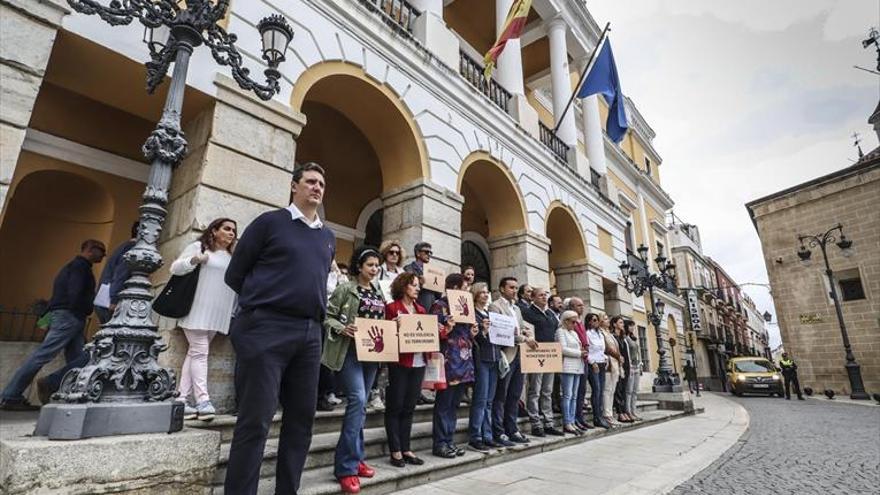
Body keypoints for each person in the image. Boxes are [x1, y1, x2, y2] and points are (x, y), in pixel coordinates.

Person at [223, 162, 335, 495]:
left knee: (301, 423)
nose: (316, 187)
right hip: (266, 329)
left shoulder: (327, 237)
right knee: (255, 422)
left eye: (321, 184)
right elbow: (235, 275)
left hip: (310, 334)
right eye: (310, 181)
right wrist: (260, 311)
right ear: (294, 186)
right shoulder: (270, 223)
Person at [0, 239, 106, 410]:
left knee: (81, 358)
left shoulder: (72, 267)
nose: (103, 255)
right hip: (70, 317)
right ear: (90, 249)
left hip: (68, 317)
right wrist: (84, 309)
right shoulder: (80, 267)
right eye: (102, 251)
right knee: (42, 355)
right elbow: (74, 293)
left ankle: (66, 392)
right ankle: (11, 395)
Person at [322, 245, 385, 494]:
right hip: (349, 353)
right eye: (370, 265)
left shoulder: (379, 291)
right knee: (357, 400)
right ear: (359, 266)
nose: (375, 269)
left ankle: (356, 458)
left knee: (360, 406)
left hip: (372, 354)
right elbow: (327, 315)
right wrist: (342, 327)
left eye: (377, 266)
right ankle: (345, 468)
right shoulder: (345, 288)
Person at [171, 217, 238, 421]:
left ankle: (182, 399)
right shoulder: (198, 247)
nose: (231, 233)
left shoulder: (231, 256)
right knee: (200, 352)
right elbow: (175, 268)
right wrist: (194, 260)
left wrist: (233, 311)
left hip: (218, 313)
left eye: (234, 231)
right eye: (226, 229)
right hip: (196, 309)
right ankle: (203, 400)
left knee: (195, 353)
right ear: (214, 230)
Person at [430, 273, 477, 459]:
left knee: (454, 404)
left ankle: (450, 440)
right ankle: (440, 443)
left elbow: (466, 336)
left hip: (464, 363)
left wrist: (473, 332)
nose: (467, 292)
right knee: (444, 404)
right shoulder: (439, 306)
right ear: (455, 288)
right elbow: (433, 331)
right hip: (449, 362)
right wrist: (446, 327)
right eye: (465, 288)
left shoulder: (466, 308)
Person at [383, 272, 427, 468]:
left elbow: (428, 335)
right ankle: (395, 450)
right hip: (400, 363)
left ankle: (406, 448)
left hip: (418, 363)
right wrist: (393, 326)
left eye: (418, 285)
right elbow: (384, 334)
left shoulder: (422, 310)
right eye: (413, 285)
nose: (417, 288)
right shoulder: (392, 308)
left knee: (409, 407)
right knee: (395, 406)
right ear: (403, 287)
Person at [489, 276, 533, 446]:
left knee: (514, 395)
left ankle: (512, 429)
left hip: (519, 355)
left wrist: (526, 333)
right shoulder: (495, 306)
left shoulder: (517, 309)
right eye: (511, 287)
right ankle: (499, 432)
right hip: (505, 356)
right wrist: (523, 338)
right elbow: (501, 332)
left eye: (516, 288)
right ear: (501, 289)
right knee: (501, 395)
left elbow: (520, 328)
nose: (514, 290)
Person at [521, 287, 563, 437]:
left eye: (545, 295)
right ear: (532, 298)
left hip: (550, 356)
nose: (544, 298)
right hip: (535, 355)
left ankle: (548, 422)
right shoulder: (527, 312)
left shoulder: (551, 314)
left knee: (547, 391)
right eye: (540, 295)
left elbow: (557, 332)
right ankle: (535, 423)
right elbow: (524, 331)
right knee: (535, 391)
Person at [468, 282, 501, 452]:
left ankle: (487, 436)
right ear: (474, 294)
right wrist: (484, 331)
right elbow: (474, 339)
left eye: (487, 292)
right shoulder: (472, 313)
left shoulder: (489, 313)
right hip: (481, 358)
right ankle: (475, 436)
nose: (485, 295)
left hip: (494, 358)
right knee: (480, 400)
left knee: (489, 401)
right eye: (481, 292)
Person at [92, 221, 139, 324]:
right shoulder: (132, 248)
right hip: (110, 301)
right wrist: (114, 300)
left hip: (104, 299)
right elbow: (121, 274)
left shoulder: (123, 246)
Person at [557, 310, 587, 435]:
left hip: (578, 366)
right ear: (566, 321)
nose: (575, 324)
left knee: (574, 396)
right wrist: (579, 353)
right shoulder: (560, 332)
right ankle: (567, 422)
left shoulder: (574, 333)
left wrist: (582, 352)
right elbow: (562, 349)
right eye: (573, 321)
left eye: (576, 322)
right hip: (567, 366)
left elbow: (579, 346)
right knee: (567, 395)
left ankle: (573, 421)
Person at [567, 297, 592, 430]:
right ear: (571, 307)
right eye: (578, 305)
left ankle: (579, 417)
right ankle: (573, 418)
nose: (582, 307)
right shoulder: (571, 322)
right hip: (575, 359)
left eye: (582, 305)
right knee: (573, 392)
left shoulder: (580, 322)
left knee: (581, 391)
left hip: (584, 359)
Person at [584, 313, 611, 429]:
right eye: (594, 320)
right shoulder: (587, 334)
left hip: (601, 363)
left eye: (597, 320)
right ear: (589, 322)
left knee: (601, 390)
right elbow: (586, 350)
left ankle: (600, 416)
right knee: (597, 390)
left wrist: (605, 359)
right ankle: (596, 417)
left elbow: (602, 349)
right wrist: (592, 362)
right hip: (593, 364)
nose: (596, 322)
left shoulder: (600, 334)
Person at [404, 242, 441, 312]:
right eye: (426, 252)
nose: (429, 255)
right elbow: (407, 289)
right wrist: (420, 283)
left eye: (431, 253)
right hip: (417, 308)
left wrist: (440, 285)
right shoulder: (409, 268)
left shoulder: (433, 271)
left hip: (432, 309)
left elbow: (438, 295)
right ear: (418, 253)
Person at [602, 315, 624, 425]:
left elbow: (615, 347)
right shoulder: (602, 333)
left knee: (612, 390)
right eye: (605, 319)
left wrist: (619, 357)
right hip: (608, 364)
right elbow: (607, 348)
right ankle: (606, 414)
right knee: (607, 390)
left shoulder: (609, 333)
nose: (608, 320)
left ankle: (610, 413)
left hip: (615, 364)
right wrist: (618, 356)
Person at [612, 316, 634, 423]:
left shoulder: (622, 338)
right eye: (620, 322)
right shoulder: (613, 337)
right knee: (618, 389)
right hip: (618, 365)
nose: (622, 324)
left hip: (626, 366)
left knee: (624, 390)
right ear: (614, 324)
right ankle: (620, 412)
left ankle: (625, 411)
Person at [624, 320, 643, 421]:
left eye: (633, 326)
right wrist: (630, 366)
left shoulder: (633, 338)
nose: (632, 328)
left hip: (637, 366)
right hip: (630, 367)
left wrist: (640, 364)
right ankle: (628, 412)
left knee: (635, 391)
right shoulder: (625, 339)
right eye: (630, 326)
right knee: (629, 391)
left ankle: (634, 411)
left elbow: (637, 353)